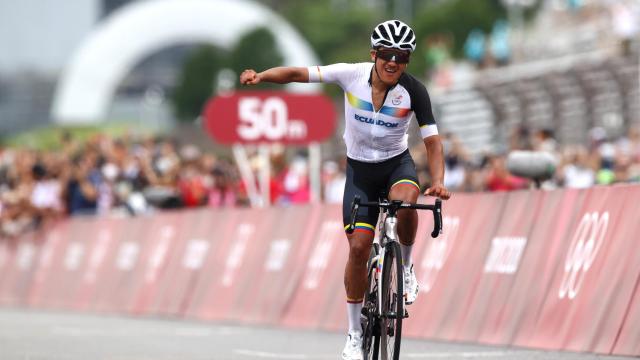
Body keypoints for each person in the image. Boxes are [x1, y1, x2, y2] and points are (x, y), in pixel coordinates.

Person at [240, 19, 450, 360]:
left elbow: (434, 143)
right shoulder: (350, 74)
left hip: (396, 165)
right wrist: (262, 76)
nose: (393, 62)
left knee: (408, 204)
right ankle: (354, 334)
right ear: (374, 54)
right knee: (358, 249)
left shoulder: (414, 91)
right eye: (386, 55)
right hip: (360, 172)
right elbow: (297, 73)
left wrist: (438, 181)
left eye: (402, 56)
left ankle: (407, 269)